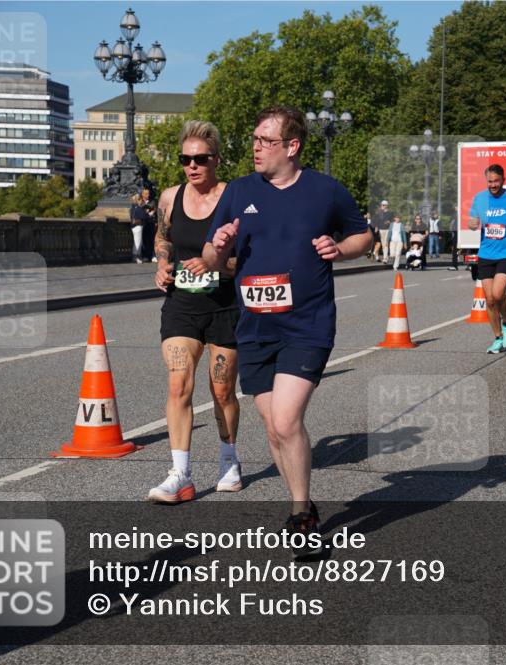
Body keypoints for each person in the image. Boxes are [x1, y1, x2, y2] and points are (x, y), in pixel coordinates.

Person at [203, 105, 371, 556]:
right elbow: (213, 257)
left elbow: (363, 236)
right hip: (255, 324)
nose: (256, 148)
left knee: (285, 419)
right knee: (272, 427)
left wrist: (340, 247)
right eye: (254, 139)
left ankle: (302, 514)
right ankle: (302, 501)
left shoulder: (325, 190)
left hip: (307, 323)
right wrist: (219, 248)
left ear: (292, 146)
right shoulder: (238, 191)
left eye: (266, 141)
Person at [149, 120, 242, 504]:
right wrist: (162, 263)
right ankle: (180, 474)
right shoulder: (171, 197)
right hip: (182, 306)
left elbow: (249, 258)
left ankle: (228, 459)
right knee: (178, 385)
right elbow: (162, 237)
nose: (192, 165)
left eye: (200, 158)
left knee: (221, 390)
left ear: (216, 159)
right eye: (185, 159)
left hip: (225, 305)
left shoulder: (234, 198)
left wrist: (217, 265)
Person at [468, 163, 506, 353]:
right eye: (490, 182)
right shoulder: (480, 199)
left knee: (498, 293)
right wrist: (473, 223)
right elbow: (471, 221)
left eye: (496, 181)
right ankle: (498, 337)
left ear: (503, 180)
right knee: (490, 300)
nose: (493, 185)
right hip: (486, 253)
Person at [129, 193, 150, 264]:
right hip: (138, 226)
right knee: (137, 242)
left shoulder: (133, 208)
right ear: (138, 200)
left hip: (135, 226)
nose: (142, 201)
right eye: (140, 200)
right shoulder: (138, 208)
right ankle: (136, 257)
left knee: (137, 242)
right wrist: (148, 213)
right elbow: (145, 216)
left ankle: (136, 256)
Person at [141, 187, 158, 262]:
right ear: (142, 194)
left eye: (148, 193)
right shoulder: (140, 202)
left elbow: (155, 211)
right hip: (143, 224)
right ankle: (145, 256)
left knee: (152, 240)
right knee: (144, 240)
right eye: (145, 193)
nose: (147, 195)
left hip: (151, 223)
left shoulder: (152, 202)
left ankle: (153, 255)